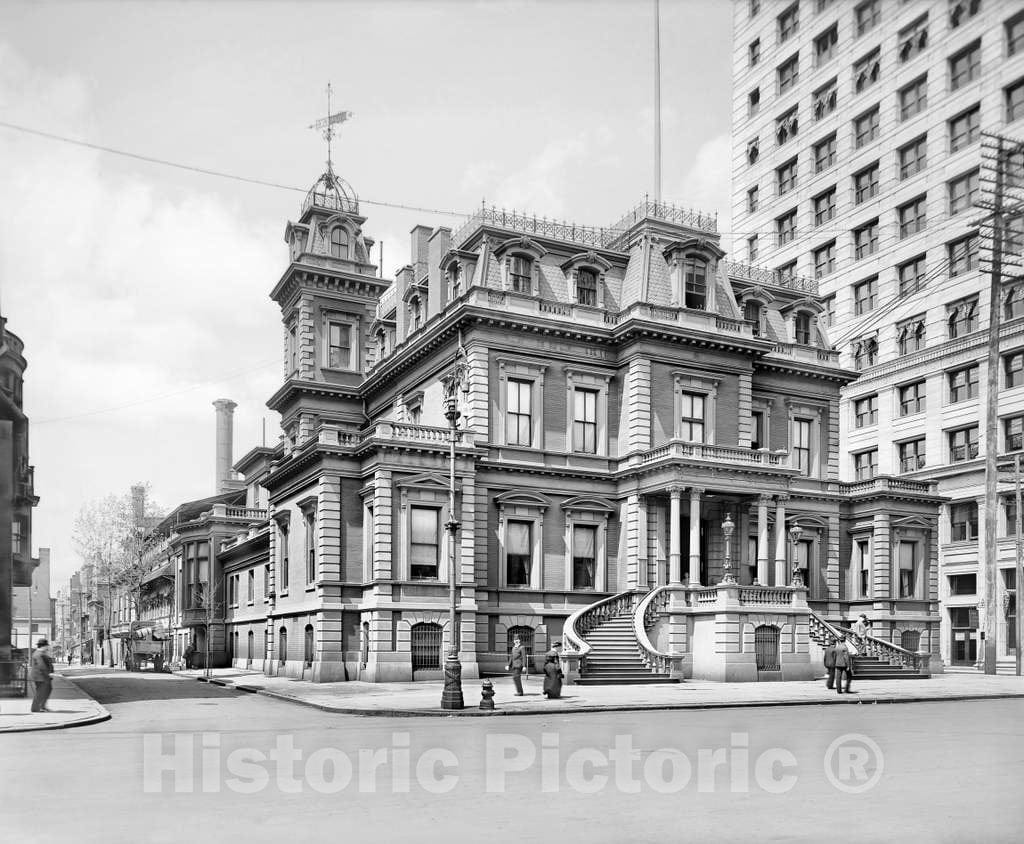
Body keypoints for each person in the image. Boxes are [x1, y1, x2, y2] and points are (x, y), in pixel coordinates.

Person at [30, 639, 55, 713]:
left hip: (42, 676)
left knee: (47, 690)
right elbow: (42, 665)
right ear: (43, 646)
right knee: (40, 692)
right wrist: (48, 673)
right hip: (40, 677)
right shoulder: (38, 654)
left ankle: (42, 706)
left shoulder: (41, 653)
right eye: (46, 646)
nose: (47, 647)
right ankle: (35, 708)